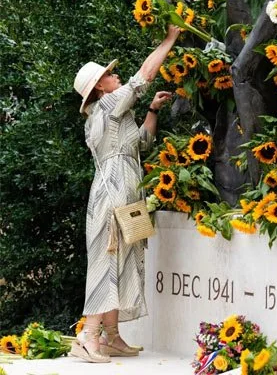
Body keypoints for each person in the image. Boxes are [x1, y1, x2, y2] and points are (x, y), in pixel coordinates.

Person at [71, 25, 181, 363]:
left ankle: (112, 336)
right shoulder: (105, 108)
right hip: (111, 195)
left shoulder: (115, 114)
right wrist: (170, 40)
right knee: (106, 261)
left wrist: (153, 111)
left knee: (122, 262)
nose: (115, 76)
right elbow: (143, 76)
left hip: (124, 192)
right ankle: (88, 337)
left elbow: (142, 144)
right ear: (100, 88)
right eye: (109, 74)